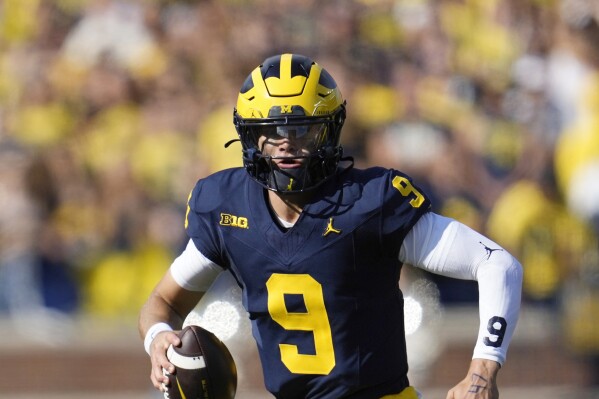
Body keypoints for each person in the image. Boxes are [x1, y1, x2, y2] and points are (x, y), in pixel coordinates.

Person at [139, 53, 523, 399]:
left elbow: (497, 264)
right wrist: (158, 339)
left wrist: (483, 369)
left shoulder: (370, 201)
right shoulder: (227, 207)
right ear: (251, 135)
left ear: (330, 130)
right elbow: (162, 304)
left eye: (302, 130)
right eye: (273, 131)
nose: (287, 144)